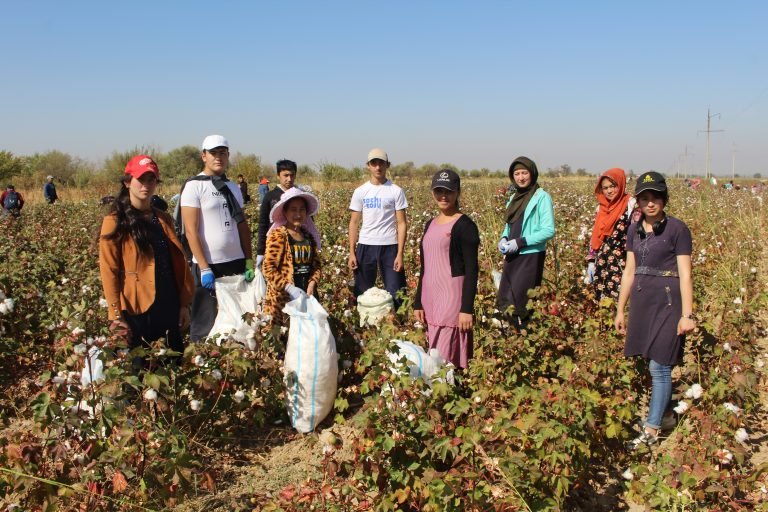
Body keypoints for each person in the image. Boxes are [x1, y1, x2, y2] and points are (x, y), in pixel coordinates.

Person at [614, 171, 695, 448]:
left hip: (668, 303)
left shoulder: (677, 229)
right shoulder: (634, 230)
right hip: (642, 303)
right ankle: (667, 415)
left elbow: (685, 275)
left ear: (664, 199)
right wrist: (620, 310)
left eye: (656, 197)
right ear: (637, 202)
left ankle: (651, 431)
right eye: (645, 198)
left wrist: (687, 314)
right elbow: (629, 271)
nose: (650, 203)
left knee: (659, 366)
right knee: (649, 360)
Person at [98, 155, 194, 366]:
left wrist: (183, 304)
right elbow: (109, 270)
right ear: (127, 182)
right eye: (141, 179)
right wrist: (115, 315)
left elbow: (175, 264)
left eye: (152, 180)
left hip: (167, 302)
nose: (147, 185)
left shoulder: (163, 218)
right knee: (140, 367)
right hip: (137, 307)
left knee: (172, 363)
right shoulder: (115, 221)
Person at [179, 135, 255, 341]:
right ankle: (202, 366)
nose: (218, 157)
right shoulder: (194, 186)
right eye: (213, 153)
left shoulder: (232, 188)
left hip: (236, 264)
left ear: (228, 155)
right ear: (204, 156)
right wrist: (203, 268)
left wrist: (248, 259)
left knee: (238, 322)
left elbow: (242, 226)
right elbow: (191, 231)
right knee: (205, 324)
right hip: (210, 266)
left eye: (222, 153)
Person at [413, 170, 479, 369]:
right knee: (432, 356)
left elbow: (472, 269)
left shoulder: (465, 226)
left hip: (451, 300)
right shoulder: (429, 224)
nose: (443, 196)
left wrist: (466, 308)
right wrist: (418, 302)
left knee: (443, 361)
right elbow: (425, 267)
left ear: (457, 192)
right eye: (439, 190)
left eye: (449, 191)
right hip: (430, 299)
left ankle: (448, 395)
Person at [496, 156, 555, 329]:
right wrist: (504, 238)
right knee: (506, 298)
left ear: (532, 173)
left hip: (530, 256)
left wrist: (521, 242)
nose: (521, 177)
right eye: (517, 174)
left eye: (524, 173)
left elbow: (548, 230)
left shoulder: (542, 197)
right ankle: (510, 341)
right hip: (512, 255)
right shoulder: (514, 197)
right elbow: (509, 225)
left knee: (521, 301)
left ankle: (524, 336)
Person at [348, 148, 408, 307]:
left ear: (387, 165)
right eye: (374, 163)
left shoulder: (396, 191)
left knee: (397, 292)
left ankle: (399, 327)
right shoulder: (360, 191)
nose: (377, 167)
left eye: (381, 163)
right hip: (366, 246)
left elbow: (401, 223)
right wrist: (352, 252)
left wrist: (400, 253)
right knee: (362, 291)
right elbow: (354, 222)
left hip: (390, 246)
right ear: (368, 166)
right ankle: (363, 326)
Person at [262, 187, 322, 326]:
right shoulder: (278, 236)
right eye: (293, 210)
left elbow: (316, 265)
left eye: (302, 210)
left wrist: (312, 283)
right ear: (285, 212)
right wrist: (289, 288)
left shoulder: (308, 236)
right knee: (285, 337)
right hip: (283, 299)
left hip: (307, 293)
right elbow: (268, 269)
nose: (298, 214)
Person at [585, 167, 637, 299]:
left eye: (613, 186)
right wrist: (591, 260)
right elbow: (596, 236)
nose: (609, 191)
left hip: (623, 265)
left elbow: (637, 237)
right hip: (601, 265)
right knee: (602, 306)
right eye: (605, 188)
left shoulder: (631, 205)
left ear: (620, 184)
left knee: (622, 303)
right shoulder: (600, 208)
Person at [257, 160, 297, 269]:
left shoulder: (299, 195)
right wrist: (261, 251)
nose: (289, 179)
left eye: (292, 175)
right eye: (286, 175)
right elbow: (263, 224)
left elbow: (308, 222)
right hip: (275, 246)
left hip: (296, 244)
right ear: (278, 175)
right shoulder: (270, 197)